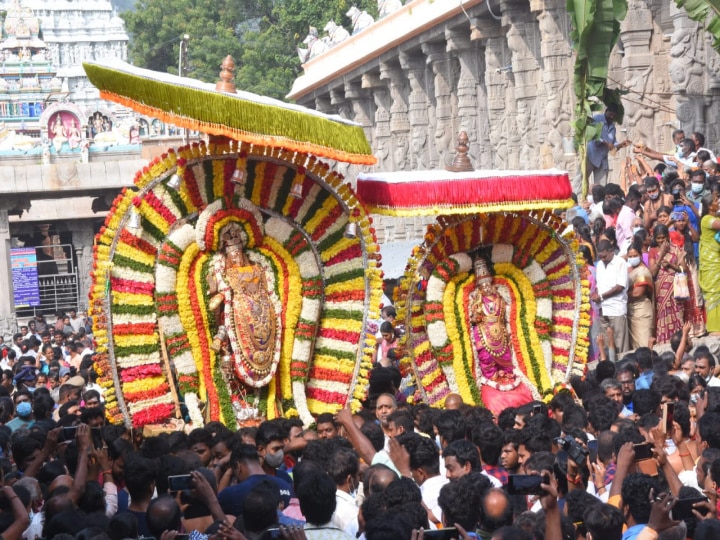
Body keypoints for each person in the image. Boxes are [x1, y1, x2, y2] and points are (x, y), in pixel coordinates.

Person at [207, 221, 279, 390]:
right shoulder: (225, 274)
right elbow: (221, 294)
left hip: (259, 309)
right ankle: (221, 337)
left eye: (238, 255)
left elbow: (264, 289)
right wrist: (217, 293)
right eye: (232, 256)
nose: (236, 259)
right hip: (238, 310)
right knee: (227, 321)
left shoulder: (256, 269)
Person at [468, 258, 514, 385]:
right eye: (483, 286)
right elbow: (472, 319)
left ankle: (507, 375)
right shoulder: (477, 302)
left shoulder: (500, 298)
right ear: (479, 289)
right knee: (486, 357)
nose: (487, 288)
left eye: (488, 285)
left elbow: (505, 316)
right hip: (483, 333)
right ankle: (492, 378)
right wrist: (476, 317)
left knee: (506, 357)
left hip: (500, 331)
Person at [649, 224, 687, 343]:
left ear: (667, 237)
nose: (661, 240)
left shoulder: (676, 249)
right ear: (655, 238)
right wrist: (661, 256)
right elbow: (653, 272)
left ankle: (679, 341)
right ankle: (664, 341)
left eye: (663, 237)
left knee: (677, 314)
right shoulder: (653, 252)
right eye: (658, 238)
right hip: (661, 291)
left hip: (675, 289)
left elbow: (684, 269)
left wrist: (671, 265)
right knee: (662, 314)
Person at [592, 239, 629, 353]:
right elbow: (599, 284)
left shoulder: (620, 263)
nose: (602, 259)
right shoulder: (600, 265)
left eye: (604, 256)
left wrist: (601, 296)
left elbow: (620, 286)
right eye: (600, 257)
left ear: (611, 251)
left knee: (620, 343)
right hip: (603, 309)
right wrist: (596, 294)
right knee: (608, 345)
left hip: (616, 309)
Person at [583, 104, 631, 187]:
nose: (611, 117)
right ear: (606, 112)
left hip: (602, 160)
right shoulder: (597, 119)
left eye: (614, 116)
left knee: (601, 186)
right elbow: (592, 135)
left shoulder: (613, 127)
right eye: (610, 114)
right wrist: (605, 143)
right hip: (591, 155)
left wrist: (620, 145)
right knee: (581, 180)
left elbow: (613, 143)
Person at [626, 242, 654, 349]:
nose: (632, 258)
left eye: (635, 256)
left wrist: (622, 295)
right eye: (630, 256)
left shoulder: (642, 271)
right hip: (632, 310)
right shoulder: (631, 270)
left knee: (643, 344)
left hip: (641, 310)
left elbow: (638, 292)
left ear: (641, 256)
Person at [699, 193, 720, 335]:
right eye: (715, 200)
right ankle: (714, 329)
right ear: (709, 206)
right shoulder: (707, 219)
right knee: (713, 294)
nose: (718, 201)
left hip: (716, 261)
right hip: (710, 263)